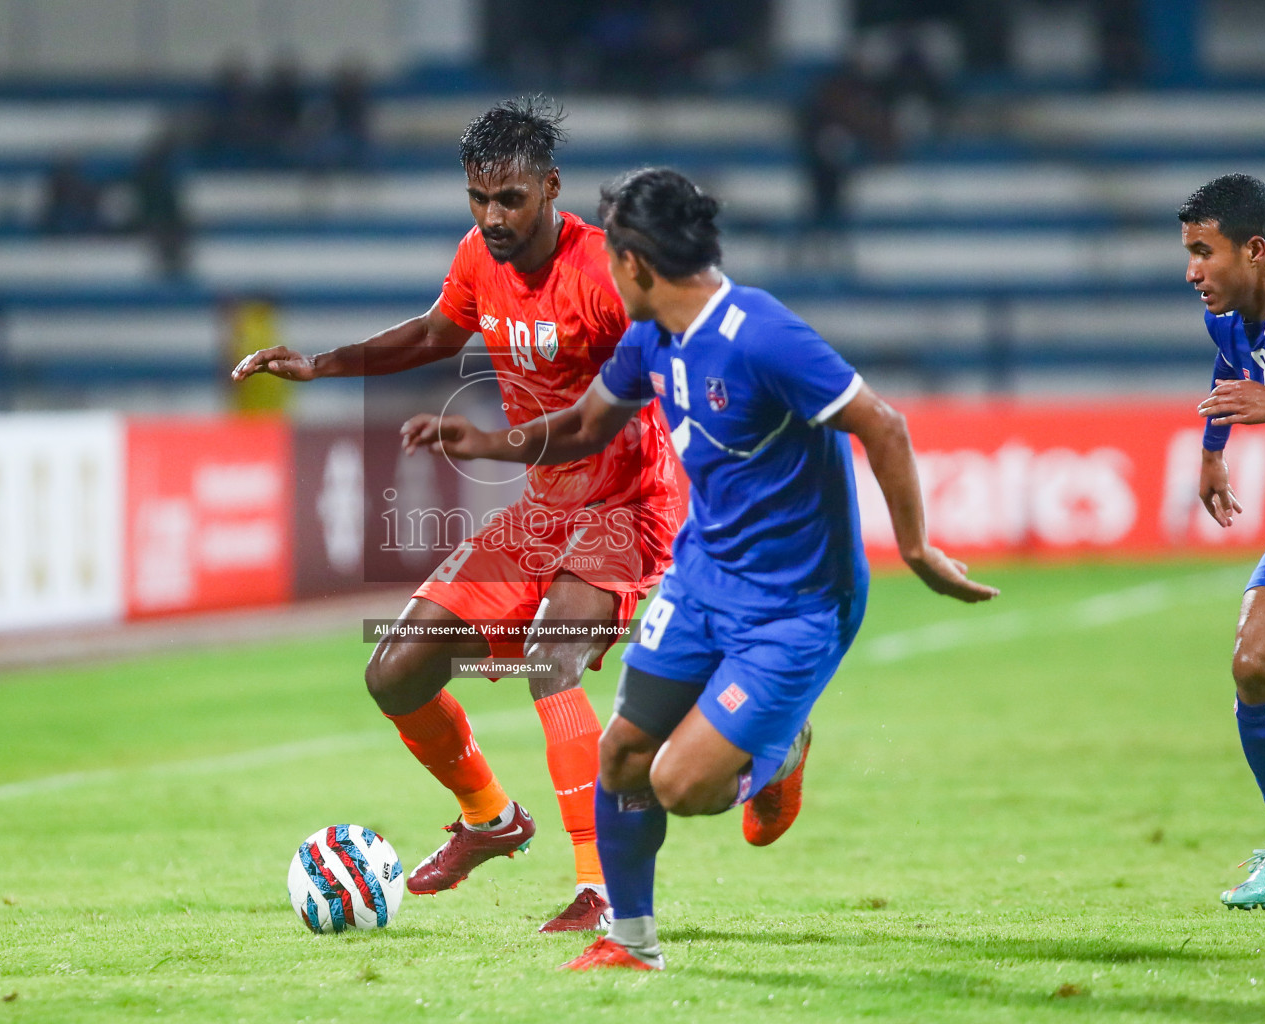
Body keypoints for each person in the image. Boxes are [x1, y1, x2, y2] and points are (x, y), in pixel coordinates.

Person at [401, 167, 998, 969]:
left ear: (639, 263)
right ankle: (632, 943)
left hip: (796, 603)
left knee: (683, 786)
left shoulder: (761, 333)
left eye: (612, 256)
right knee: (620, 756)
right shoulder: (650, 337)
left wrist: (917, 550)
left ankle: (778, 750)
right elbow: (582, 426)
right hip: (701, 582)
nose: (603, 270)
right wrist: (482, 443)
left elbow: (881, 424)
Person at [232, 98, 682, 932]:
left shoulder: (604, 275)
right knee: (396, 669)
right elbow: (438, 331)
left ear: (550, 188)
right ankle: (491, 818)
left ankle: (601, 886)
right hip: (544, 506)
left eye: (509, 198)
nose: (492, 216)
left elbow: (615, 410)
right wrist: (323, 365)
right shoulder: (480, 255)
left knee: (552, 658)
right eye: (478, 198)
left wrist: (494, 441)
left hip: (626, 504)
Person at [1182, 173, 1265, 909]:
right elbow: (1229, 368)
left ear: (1256, 249)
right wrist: (1213, 450)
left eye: (1204, 251)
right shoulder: (1231, 320)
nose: (1192, 271)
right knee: (1254, 664)